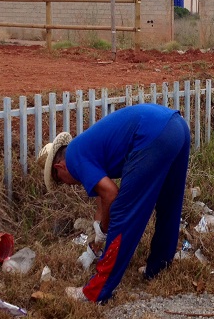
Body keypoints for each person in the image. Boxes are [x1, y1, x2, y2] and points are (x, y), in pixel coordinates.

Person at [38, 103, 191, 303]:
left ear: (59, 167)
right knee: (169, 202)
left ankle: (95, 292)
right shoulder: (84, 147)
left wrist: (107, 228)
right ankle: (159, 266)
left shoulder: (74, 158)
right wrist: (99, 232)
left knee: (123, 214)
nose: (66, 186)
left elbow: (111, 194)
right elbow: (103, 197)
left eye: (59, 181)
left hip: (151, 135)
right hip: (176, 126)